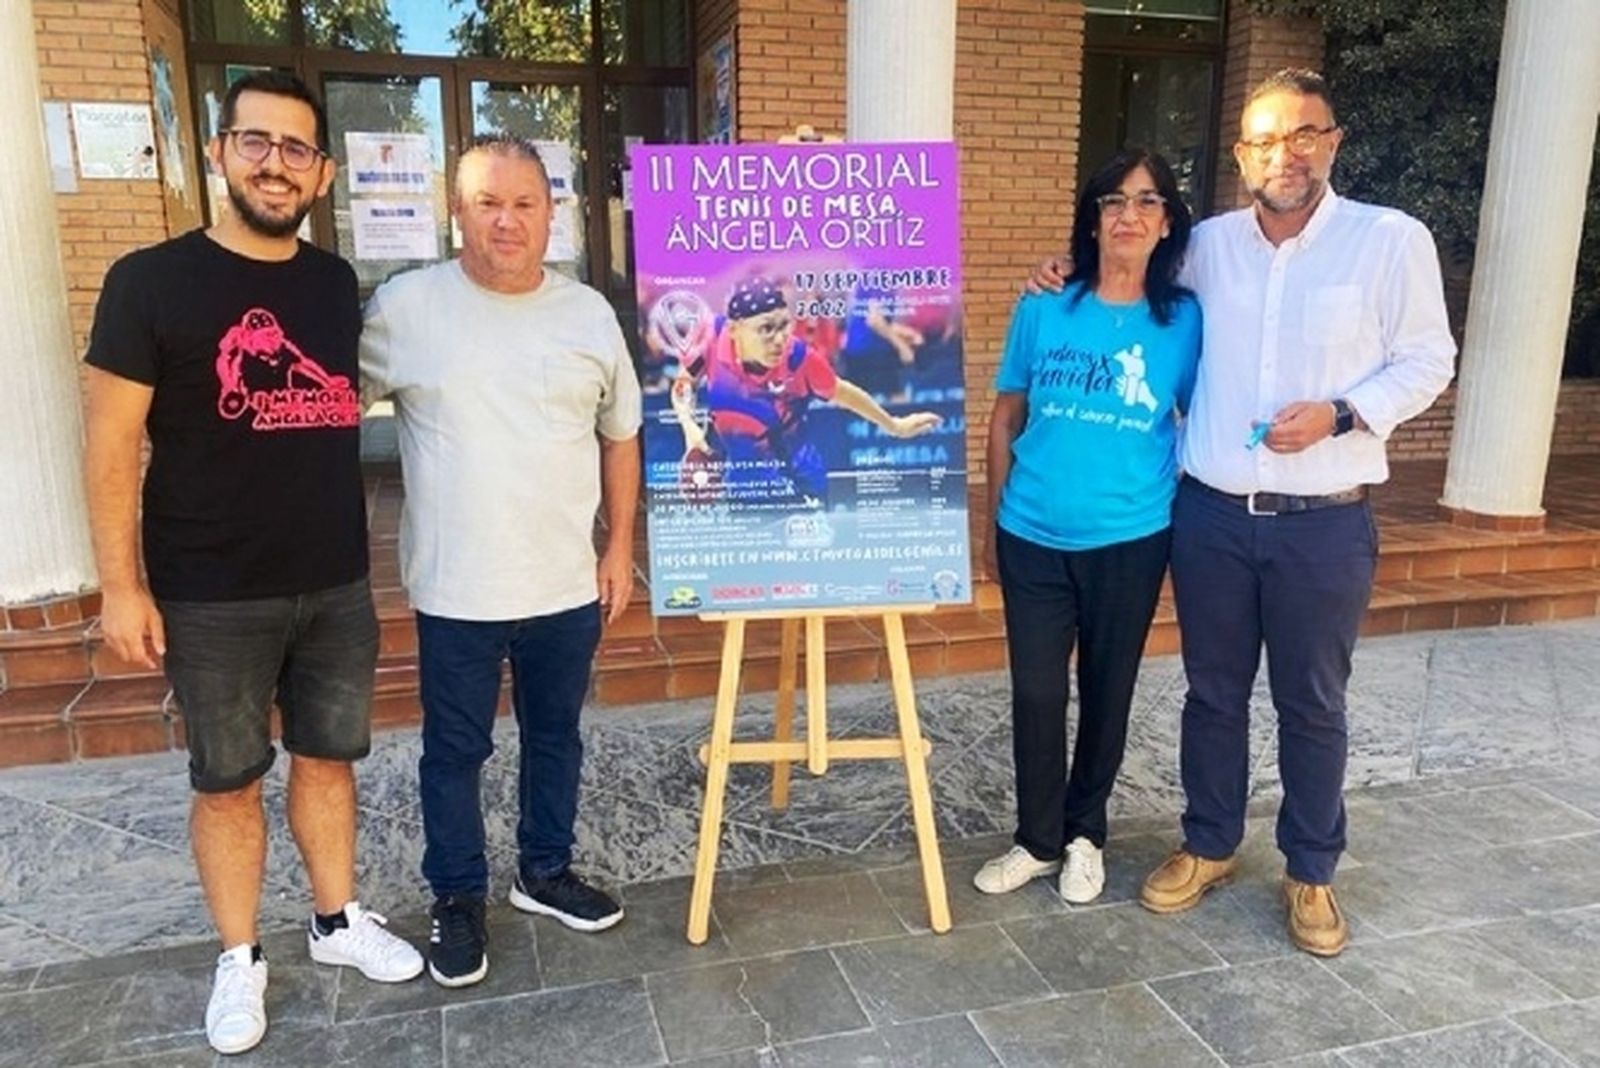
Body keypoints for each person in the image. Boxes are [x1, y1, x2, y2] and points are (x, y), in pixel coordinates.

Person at [1029, 69, 1454, 955]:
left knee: (1312, 702)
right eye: (1264, 139)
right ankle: (1210, 842)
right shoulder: (1209, 245)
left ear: (1333, 142)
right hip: (1212, 516)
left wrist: (1341, 410)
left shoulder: (1388, 240)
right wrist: (1066, 264)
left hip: (1324, 521)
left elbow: (1429, 361)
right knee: (1212, 694)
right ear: (1239, 154)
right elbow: (1126, 260)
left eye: (1303, 134)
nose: (1284, 154)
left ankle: (1310, 871)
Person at [82, 71, 423, 1057]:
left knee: (328, 759)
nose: (276, 163)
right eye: (256, 142)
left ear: (320, 172)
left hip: (334, 579)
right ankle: (240, 955)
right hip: (208, 588)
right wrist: (121, 584)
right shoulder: (148, 282)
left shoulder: (330, 284)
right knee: (227, 778)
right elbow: (110, 444)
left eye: (296, 148)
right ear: (220, 152)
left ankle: (335, 920)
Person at [360, 134, 641, 988]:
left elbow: (620, 431)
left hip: (563, 580)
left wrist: (620, 543)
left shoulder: (587, 312)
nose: (507, 221)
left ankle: (543, 872)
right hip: (456, 588)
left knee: (556, 736)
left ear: (551, 213)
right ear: (457, 212)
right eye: (488, 202)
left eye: (524, 203)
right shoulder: (406, 308)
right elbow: (321, 405)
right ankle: (457, 897)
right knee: (455, 751)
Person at [976, 149, 1200, 906]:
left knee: (1108, 690)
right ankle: (1036, 840)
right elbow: (1007, 413)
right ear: (1093, 218)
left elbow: (1199, 416)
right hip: (1032, 531)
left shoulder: (1184, 320)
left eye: (1145, 202)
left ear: (1167, 222)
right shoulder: (1044, 304)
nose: (1128, 215)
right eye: (1112, 201)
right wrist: (992, 516)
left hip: (1131, 538)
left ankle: (1084, 836)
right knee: (1036, 693)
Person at [669, 275, 942, 506]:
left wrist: (893, 425)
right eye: (766, 328)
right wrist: (689, 429)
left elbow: (845, 393)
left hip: (798, 480)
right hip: (741, 477)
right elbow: (683, 385)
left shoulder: (800, 359)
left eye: (783, 325)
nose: (779, 339)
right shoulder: (710, 336)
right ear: (735, 329)